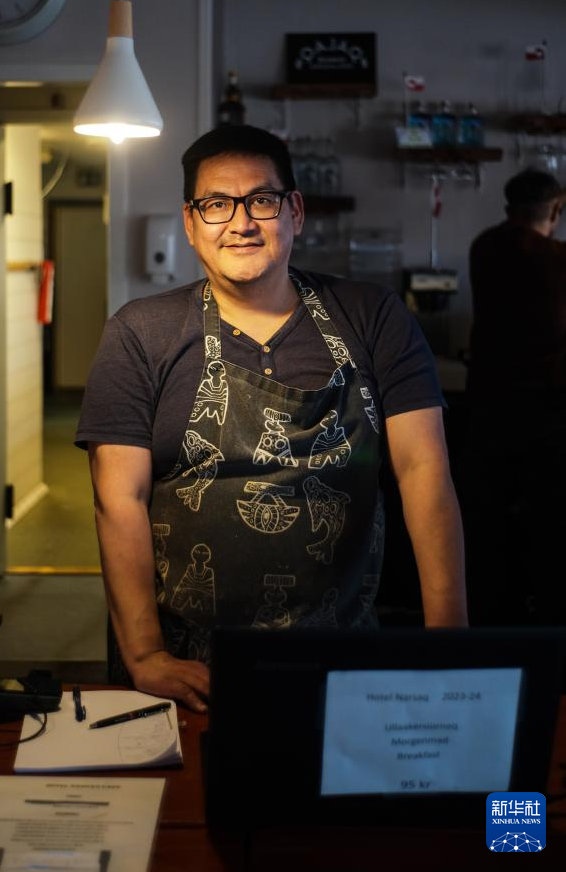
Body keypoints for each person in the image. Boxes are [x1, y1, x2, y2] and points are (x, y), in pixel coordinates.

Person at [76, 125, 467, 711]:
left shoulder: (373, 317)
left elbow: (424, 474)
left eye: (261, 200)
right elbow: (118, 498)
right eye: (216, 204)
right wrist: (146, 654)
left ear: (295, 212)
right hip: (185, 670)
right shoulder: (140, 333)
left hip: (344, 659)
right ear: (190, 223)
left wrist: (450, 645)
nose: (241, 222)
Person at [462, 168, 566, 625]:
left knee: (489, 528)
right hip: (546, 413)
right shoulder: (557, 258)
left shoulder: (485, 246)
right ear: (556, 211)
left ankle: (491, 625)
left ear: (509, 208)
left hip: (488, 406)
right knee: (546, 530)